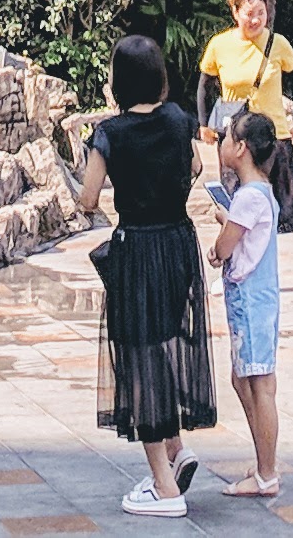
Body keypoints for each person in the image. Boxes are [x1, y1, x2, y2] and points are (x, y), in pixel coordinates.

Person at [75, 31, 216, 518]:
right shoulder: (179, 121)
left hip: (136, 248)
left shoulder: (109, 133)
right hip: (178, 244)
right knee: (162, 343)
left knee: (137, 357)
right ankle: (176, 451)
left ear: (117, 82)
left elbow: (89, 199)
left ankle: (163, 487)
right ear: (159, 78)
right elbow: (197, 166)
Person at [201, 0, 293, 295]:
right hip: (237, 140)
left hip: (275, 136)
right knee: (234, 205)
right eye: (249, 13)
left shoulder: (278, 43)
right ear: (235, 12)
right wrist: (203, 125)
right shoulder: (220, 45)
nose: (255, 20)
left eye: (261, 13)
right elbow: (204, 85)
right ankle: (229, 267)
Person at [207, 110, 285, 500]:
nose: (220, 145)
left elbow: (224, 247)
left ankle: (267, 473)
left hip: (251, 302)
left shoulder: (249, 196)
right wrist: (229, 218)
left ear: (240, 148)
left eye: (225, 138)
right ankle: (263, 459)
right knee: (247, 380)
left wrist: (218, 244)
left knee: (258, 385)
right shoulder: (261, 193)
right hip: (259, 299)